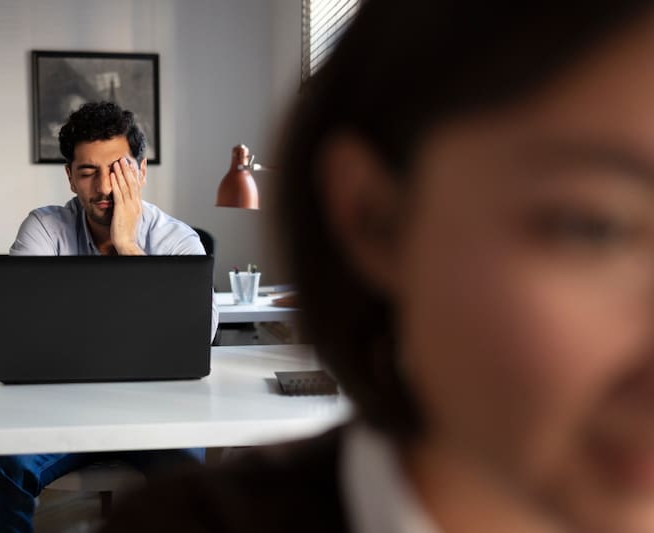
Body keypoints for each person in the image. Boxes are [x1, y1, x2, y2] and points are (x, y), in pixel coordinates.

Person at [101, 1, 654, 532]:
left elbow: (191, 332)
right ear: (374, 219)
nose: (102, 188)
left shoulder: (172, 239)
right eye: (595, 227)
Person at [0, 101, 218, 533]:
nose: (104, 185)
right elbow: (17, 327)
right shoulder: (45, 229)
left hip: (158, 414)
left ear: (140, 170)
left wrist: (127, 244)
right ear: (69, 176)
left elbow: (201, 332)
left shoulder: (177, 238)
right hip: (54, 412)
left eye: (118, 169)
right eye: (88, 172)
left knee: (189, 484)